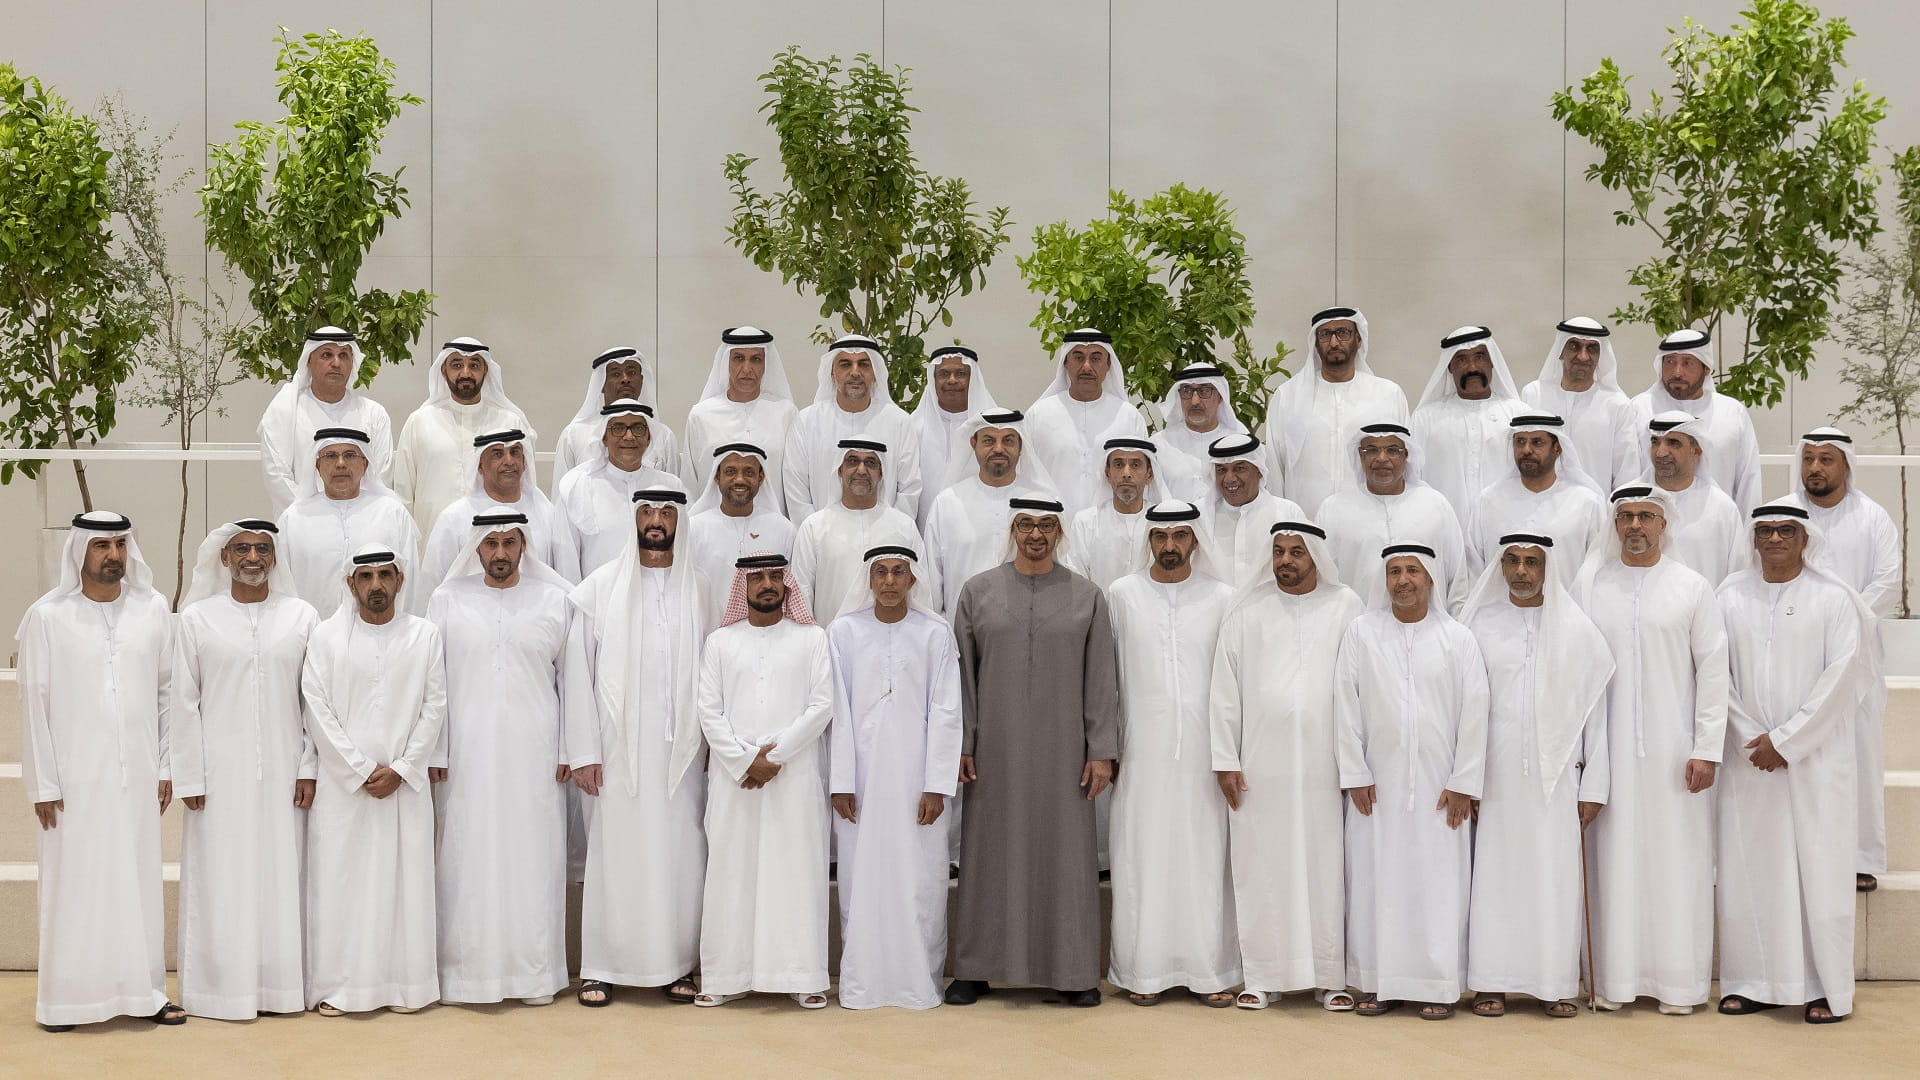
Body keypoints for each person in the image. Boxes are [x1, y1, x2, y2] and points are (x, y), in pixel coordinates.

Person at [946, 496, 1120, 1008]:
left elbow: (1101, 678)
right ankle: (975, 968)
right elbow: (961, 679)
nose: (1036, 534)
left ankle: (1072, 970)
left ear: (1059, 532)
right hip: (993, 751)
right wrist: (963, 743)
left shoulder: (1088, 595)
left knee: (1064, 854)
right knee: (986, 851)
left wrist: (1101, 749)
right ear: (1013, 529)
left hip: (1065, 752)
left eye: (1046, 526)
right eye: (1026, 524)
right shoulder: (977, 592)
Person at [18, 512, 186, 1031]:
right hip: (72, 779)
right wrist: (43, 782)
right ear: (80, 553)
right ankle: (67, 1001)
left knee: (137, 882)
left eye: (119, 545)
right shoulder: (48, 617)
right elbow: (34, 704)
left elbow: (167, 692)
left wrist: (164, 763)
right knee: (74, 884)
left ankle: (145, 993)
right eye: (100, 546)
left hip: (136, 775)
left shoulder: (153, 609)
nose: (112, 555)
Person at [1573, 485, 1728, 1016]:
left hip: (1675, 755)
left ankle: (1679, 985)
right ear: (1614, 526)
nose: (1635, 525)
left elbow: (1712, 671)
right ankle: (1613, 984)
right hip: (1607, 753)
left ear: (1665, 525)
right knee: (1612, 864)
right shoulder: (1591, 585)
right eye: (1626, 517)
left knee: (1676, 864)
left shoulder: (1692, 587)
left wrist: (1707, 747)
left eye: (1646, 516)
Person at [1715, 504, 1872, 1024]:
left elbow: (1841, 677)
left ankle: (1826, 987)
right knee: (1752, 871)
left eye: (1786, 530)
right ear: (1753, 538)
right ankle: (1754, 983)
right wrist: (1751, 738)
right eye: (1766, 530)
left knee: (1819, 871)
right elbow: (1718, 677)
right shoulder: (1729, 595)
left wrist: (1786, 740)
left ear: (1805, 539)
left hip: (1816, 760)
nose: (1776, 537)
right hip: (1749, 761)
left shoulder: (1833, 599)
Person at [563, 487, 710, 1009]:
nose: (655, 520)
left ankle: (676, 965)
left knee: (682, 856)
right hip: (615, 753)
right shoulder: (599, 588)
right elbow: (578, 674)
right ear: (634, 520)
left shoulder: (703, 590)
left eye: (666, 512)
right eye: (647, 511)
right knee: (613, 855)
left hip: (684, 756)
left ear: (679, 521)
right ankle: (601, 966)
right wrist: (583, 752)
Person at [1210, 520, 1365, 1011]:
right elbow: (1223, 692)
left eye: (1296, 552)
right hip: (1260, 763)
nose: (1285, 561)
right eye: (1278, 552)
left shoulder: (1346, 606)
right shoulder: (1247, 610)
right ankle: (1263, 976)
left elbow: (1361, 687)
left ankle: (1329, 976)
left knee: (1327, 868)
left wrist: (1357, 763)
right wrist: (1224, 758)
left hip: (1327, 765)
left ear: (1316, 556)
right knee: (1263, 867)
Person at [1460, 535, 1613, 1019]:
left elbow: (1595, 714)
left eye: (1531, 562)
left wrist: (1594, 785)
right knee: (1493, 879)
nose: (1522, 571)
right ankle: (1491, 982)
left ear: (1548, 568)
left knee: (1555, 877)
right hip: (1495, 778)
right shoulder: (1478, 625)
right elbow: (1460, 708)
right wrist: (1468, 779)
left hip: (1558, 780)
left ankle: (1552, 983)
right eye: (1513, 561)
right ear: (1499, 566)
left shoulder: (1577, 631)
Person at [426, 510, 573, 1007]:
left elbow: (572, 683)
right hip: (465, 757)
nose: (501, 553)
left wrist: (572, 749)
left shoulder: (555, 601)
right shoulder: (446, 600)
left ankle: (534, 975)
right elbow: (434, 684)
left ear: (524, 548)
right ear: (475, 549)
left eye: (511, 543)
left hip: (537, 755)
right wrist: (436, 748)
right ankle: (469, 976)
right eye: (491, 543)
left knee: (534, 857)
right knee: (468, 855)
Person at [172, 520, 317, 1020]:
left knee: (282, 874)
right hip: (217, 777)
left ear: (274, 559)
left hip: (285, 774)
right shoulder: (196, 619)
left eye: (262, 549)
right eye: (242, 549)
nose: (252, 557)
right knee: (221, 877)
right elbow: (182, 701)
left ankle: (280, 988)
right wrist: (189, 773)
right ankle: (219, 989)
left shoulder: (302, 616)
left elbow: (313, 701)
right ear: (224, 559)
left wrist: (309, 765)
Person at [1336, 544, 1489, 1020]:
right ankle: (1382, 984)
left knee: (1437, 886)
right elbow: (1345, 703)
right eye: (1395, 571)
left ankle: (1438, 986)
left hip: (1441, 790)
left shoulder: (1458, 638)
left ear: (1431, 579)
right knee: (1376, 883)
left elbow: (1476, 712)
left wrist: (1464, 780)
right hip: (1375, 789)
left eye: (1413, 571)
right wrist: (1355, 772)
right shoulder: (1362, 633)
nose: (1403, 580)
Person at [301, 546, 446, 1015]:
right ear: (351, 585)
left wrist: (403, 769)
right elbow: (315, 709)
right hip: (345, 791)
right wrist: (361, 770)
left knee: (405, 887)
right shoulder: (325, 638)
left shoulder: (424, 636)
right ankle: (344, 989)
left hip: (405, 789)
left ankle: (406, 987)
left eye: (386, 575)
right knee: (343, 886)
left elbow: (435, 706)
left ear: (400, 582)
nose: (376, 585)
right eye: (366, 577)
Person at [1106, 502, 1240, 1006]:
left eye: (1180, 536)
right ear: (1149, 541)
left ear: (1196, 541)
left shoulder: (1223, 597)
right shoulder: (1122, 594)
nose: (1169, 545)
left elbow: (1233, 682)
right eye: (1160, 536)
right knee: (1141, 856)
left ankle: (1211, 972)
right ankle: (1143, 973)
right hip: (1140, 753)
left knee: (1207, 860)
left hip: (1208, 756)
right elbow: (1107, 679)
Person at [694, 554, 834, 1009]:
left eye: (776, 576)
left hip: (792, 778)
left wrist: (774, 756)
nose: (768, 584)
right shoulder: (719, 641)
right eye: (758, 578)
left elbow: (821, 705)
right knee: (730, 873)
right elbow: (708, 710)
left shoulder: (812, 638)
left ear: (787, 584)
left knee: (795, 872)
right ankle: (725, 976)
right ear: (743, 586)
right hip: (735, 779)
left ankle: (801, 975)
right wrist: (743, 759)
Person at [827, 546, 963, 1010]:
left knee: (920, 879)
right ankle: (863, 983)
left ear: (912, 580)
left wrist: (936, 784)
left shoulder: (935, 633)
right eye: (880, 572)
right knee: (861, 879)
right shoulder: (843, 632)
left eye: (898, 572)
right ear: (869, 580)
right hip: (860, 784)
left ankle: (918, 983)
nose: (888, 581)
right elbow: (838, 713)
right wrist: (841, 780)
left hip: (916, 781)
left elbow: (946, 711)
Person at [1784, 427, 1903, 891]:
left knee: (1858, 755)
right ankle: (1794, 852)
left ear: (1846, 465)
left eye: (1826, 459)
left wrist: (1841, 624)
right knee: (1799, 751)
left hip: (1857, 658)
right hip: (1795, 654)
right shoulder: (1784, 513)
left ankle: (1858, 857)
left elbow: (1888, 583)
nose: (1815, 467)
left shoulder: (1872, 518)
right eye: (1809, 458)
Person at [1266, 307, 1409, 514]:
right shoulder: (1288, 396)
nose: (1334, 342)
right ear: (1315, 343)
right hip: (1304, 523)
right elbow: (1274, 466)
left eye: (1343, 333)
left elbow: (1405, 462)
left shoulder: (1388, 394)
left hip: (1369, 523)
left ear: (1359, 340)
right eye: (1325, 335)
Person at [1316, 422, 1469, 612]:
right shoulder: (1333, 509)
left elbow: (1458, 580)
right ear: (1360, 456)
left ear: (1406, 455)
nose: (1382, 458)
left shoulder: (1435, 505)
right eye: (1371, 450)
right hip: (1358, 630)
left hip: (1428, 631)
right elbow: (1322, 582)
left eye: (1392, 450)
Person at [392, 337, 538, 535]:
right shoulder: (419, 422)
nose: (466, 373)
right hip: (431, 544)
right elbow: (404, 496)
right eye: (457, 365)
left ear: (485, 371)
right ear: (444, 371)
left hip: (495, 547)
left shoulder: (510, 423)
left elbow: (527, 490)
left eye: (474, 365)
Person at [417, 428, 580, 605]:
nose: (509, 461)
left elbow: (563, 576)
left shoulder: (547, 513)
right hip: (471, 621)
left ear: (524, 462)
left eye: (515, 453)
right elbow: (431, 585)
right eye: (497, 454)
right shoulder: (454, 518)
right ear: (480, 465)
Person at [275, 428, 420, 618]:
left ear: (365, 464)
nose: (341, 464)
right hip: (314, 633)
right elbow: (282, 585)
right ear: (317, 466)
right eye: (331, 456)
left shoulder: (391, 512)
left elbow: (409, 580)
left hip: (379, 633)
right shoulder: (293, 518)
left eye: (350, 455)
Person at [922, 408, 1054, 614]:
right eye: (989, 440)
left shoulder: (1042, 503)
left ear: (1021, 446)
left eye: (1008, 440)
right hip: (960, 634)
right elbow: (931, 582)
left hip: (1026, 631)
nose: (998, 449)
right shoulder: (947, 503)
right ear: (973, 444)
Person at [1615, 329, 1762, 513]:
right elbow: (1626, 476)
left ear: (1706, 368)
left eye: (1687, 363)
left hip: (1715, 525)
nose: (1677, 372)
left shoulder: (1732, 413)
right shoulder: (1639, 409)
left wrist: (1745, 535)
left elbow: (1748, 482)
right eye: (1670, 362)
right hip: (1651, 531)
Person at [790, 439, 931, 623]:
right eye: (853, 461)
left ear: (881, 473)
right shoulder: (814, 527)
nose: (861, 470)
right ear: (840, 470)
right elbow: (802, 592)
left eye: (870, 463)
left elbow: (921, 593)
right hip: (831, 644)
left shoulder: (904, 526)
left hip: (894, 646)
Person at [258, 327, 394, 517]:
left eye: (344, 355)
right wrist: (318, 518)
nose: (336, 363)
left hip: (362, 522)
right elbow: (277, 478)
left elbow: (380, 478)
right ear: (308, 361)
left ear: (352, 363)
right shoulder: (285, 410)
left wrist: (353, 517)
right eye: (327, 355)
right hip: (302, 524)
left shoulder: (373, 413)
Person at [784, 336, 922, 523]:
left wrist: (890, 535)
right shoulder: (807, 421)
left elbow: (909, 489)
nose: (855, 372)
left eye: (864, 365)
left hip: (884, 543)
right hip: (823, 541)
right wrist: (817, 536)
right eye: (845, 364)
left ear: (875, 373)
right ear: (832, 372)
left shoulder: (899, 422)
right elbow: (796, 490)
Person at [1462, 414, 1606, 576]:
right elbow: (1473, 569)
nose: (1526, 450)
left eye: (1537, 442)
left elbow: (1598, 569)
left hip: (1566, 601)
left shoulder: (1585, 502)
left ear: (1557, 448)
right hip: (1501, 602)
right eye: (1520, 442)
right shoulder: (1488, 501)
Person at [1024, 329, 1150, 515]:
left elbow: (1142, 480)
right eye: (1078, 357)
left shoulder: (1129, 417)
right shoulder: (1038, 415)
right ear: (1065, 362)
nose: (1086, 367)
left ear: (1108, 365)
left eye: (1096, 358)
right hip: (1050, 531)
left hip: (1109, 530)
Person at [1412, 326, 1531, 518]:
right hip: (1444, 525)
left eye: (1479, 357)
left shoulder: (1519, 415)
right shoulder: (1425, 418)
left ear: (1492, 362)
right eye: (1461, 359)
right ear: (1449, 367)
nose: (1472, 367)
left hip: (1505, 527)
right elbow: (1411, 479)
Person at [554, 400, 683, 576]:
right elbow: (566, 563)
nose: (629, 437)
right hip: (597, 601)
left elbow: (681, 551)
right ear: (604, 437)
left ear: (649, 438)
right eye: (618, 428)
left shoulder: (671, 487)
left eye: (638, 428)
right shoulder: (577, 486)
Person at [685, 327, 800, 514]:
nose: (747, 369)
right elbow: (689, 484)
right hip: (712, 530)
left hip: (773, 530)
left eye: (756, 359)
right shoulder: (701, 415)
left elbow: (795, 482)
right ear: (726, 362)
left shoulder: (785, 413)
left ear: (765, 364)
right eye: (738, 358)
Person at [684, 442, 797, 620]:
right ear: (716, 477)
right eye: (730, 472)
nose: (739, 479)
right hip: (708, 636)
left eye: (749, 472)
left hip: (768, 636)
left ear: (761, 478)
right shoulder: (693, 528)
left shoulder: (783, 529)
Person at [1521, 317, 1633, 490]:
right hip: (1539, 510)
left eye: (1592, 348)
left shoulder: (1617, 405)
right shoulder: (1534, 394)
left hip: (1594, 512)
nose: (1583, 356)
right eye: (1574, 346)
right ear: (1560, 350)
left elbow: (1627, 474)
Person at [1635, 411, 1745, 586]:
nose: (1661, 452)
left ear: (1696, 451)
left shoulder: (1721, 508)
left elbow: (1737, 577)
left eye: (1673, 443)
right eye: (1655, 442)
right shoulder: (1629, 502)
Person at [553, 346, 684, 482]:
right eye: (615, 374)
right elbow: (561, 496)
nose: (625, 379)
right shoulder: (574, 435)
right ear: (601, 384)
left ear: (641, 380)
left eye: (631, 373)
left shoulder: (663, 436)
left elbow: (674, 496)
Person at [910, 344, 1000, 527]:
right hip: (923, 532)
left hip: (979, 528)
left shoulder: (993, 429)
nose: (952, 380)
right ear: (933, 380)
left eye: (960, 374)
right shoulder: (912, 427)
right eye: (944, 374)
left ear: (972, 379)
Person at [1064, 437, 1166, 591]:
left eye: (1135, 465)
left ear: (1149, 475)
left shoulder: (1162, 524)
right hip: (1099, 614)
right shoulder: (1086, 522)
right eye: (1118, 465)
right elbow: (1077, 582)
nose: (1126, 473)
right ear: (1108, 473)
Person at [1203, 433, 1304, 583]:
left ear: (1259, 471)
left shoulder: (1287, 512)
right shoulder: (1200, 515)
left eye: (1239, 468)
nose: (1229, 478)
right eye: (1222, 470)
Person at [1151, 364, 1251, 502]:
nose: (1195, 401)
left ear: (1220, 396)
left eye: (1204, 391)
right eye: (1187, 391)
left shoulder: (1240, 441)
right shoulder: (1159, 444)